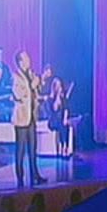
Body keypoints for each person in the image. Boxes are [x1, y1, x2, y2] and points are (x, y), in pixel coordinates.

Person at [11, 50, 48, 188]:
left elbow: (36, 90)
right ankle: (20, 177)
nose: (29, 61)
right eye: (26, 59)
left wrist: (42, 79)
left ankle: (35, 174)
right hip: (21, 118)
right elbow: (18, 94)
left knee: (33, 148)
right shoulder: (15, 77)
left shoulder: (30, 74)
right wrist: (32, 85)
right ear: (20, 62)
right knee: (20, 149)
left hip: (31, 116)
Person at [46, 76, 71, 156]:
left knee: (65, 126)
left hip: (61, 119)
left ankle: (65, 146)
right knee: (61, 125)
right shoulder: (50, 99)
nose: (59, 88)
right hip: (53, 120)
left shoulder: (63, 98)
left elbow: (66, 109)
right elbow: (55, 109)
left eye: (60, 85)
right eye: (57, 86)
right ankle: (62, 146)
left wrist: (65, 118)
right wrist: (57, 97)